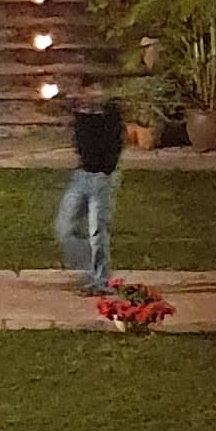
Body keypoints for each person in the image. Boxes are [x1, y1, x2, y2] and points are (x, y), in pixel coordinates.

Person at [57, 74, 125, 294]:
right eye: (89, 91)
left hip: (103, 178)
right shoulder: (80, 115)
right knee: (64, 228)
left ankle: (101, 280)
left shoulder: (111, 115)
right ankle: (89, 269)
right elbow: (80, 139)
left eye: (97, 90)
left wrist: (106, 170)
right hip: (81, 176)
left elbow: (113, 145)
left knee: (97, 231)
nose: (93, 95)